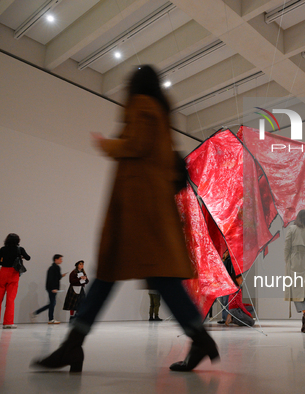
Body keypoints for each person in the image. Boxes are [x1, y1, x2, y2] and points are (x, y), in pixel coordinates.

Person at [31, 65, 218, 373]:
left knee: (107, 275)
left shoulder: (143, 107)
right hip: (148, 214)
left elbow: (137, 145)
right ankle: (199, 337)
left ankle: (72, 346)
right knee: (153, 279)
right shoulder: (161, 114)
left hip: (137, 215)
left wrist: (108, 144)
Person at [0, 233, 31, 329]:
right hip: (13, 273)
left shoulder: (3, 249)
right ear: (18, 241)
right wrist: (20, 257)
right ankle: (8, 322)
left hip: (3, 272)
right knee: (10, 299)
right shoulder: (20, 249)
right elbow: (28, 258)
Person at [31, 254, 66, 324]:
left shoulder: (56, 268)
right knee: (52, 303)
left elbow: (57, 278)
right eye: (60, 259)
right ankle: (47, 318)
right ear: (56, 260)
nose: (61, 260)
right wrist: (53, 288)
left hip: (53, 288)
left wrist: (61, 276)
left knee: (52, 303)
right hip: (52, 288)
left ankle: (39, 314)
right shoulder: (53, 268)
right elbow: (51, 279)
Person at [217, 250, 235, 324]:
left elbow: (228, 272)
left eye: (227, 252)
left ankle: (226, 318)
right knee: (222, 302)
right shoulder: (221, 260)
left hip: (226, 283)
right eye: (225, 252)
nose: (225, 253)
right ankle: (224, 318)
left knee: (225, 301)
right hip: (221, 283)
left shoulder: (229, 261)